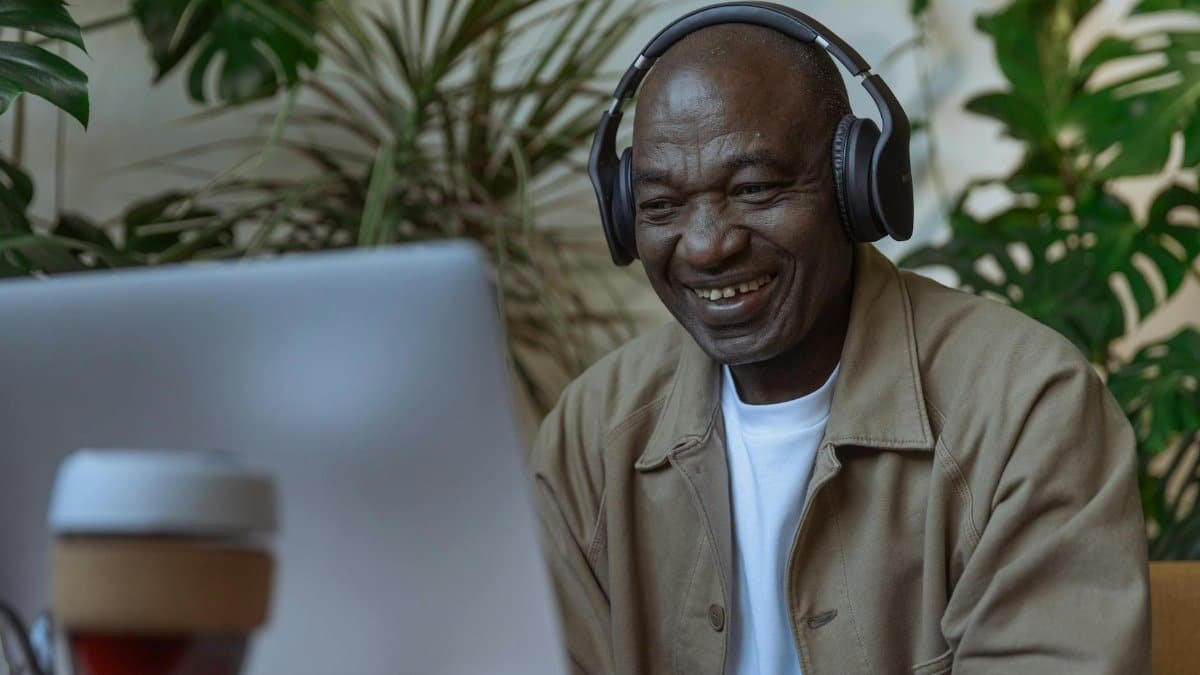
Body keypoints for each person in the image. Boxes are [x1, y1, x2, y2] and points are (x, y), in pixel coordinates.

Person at [530, 6, 1150, 675]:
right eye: (661, 206)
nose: (707, 244)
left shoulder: (1026, 407)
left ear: (858, 186)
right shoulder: (592, 433)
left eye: (754, 188)